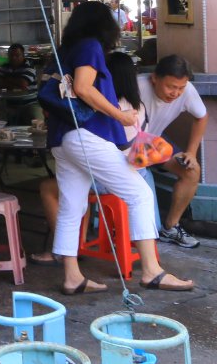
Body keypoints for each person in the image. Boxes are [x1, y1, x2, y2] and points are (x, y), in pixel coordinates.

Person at [45, 0, 192, 294]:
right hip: (88, 135)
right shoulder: (89, 46)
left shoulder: (65, 51)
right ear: (104, 25)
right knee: (139, 192)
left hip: (63, 139)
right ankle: (152, 271)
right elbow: (84, 88)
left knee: (72, 206)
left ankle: (72, 276)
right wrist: (120, 115)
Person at [30, 50, 142, 265]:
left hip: (106, 174)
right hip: (123, 168)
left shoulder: (109, 106)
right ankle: (150, 267)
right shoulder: (132, 106)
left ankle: (67, 260)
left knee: (63, 198)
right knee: (76, 201)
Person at [138, 55, 207, 249]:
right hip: (127, 144)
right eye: (170, 87)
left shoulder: (187, 91)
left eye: (180, 88)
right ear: (154, 78)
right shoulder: (137, 86)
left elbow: (202, 117)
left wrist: (191, 153)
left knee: (191, 171)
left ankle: (170, 228)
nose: (175, 93)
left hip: (153, 143)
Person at [0, 42, 42, 127]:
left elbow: (23, 84)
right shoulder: (5, 66)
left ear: (23, 56)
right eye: (11, 55)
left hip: (30, 104)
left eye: (17, 55)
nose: (14, 58)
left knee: (36, 121)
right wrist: (16, 82)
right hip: (10, 104)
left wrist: (5, 80)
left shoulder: (29, 67)